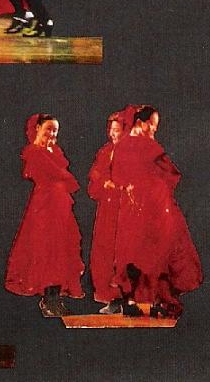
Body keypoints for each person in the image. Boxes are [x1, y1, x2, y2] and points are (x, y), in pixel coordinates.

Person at [110, 106, 202, 318]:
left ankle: (141, 300)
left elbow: (119, 176)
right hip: (149, 205)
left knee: (139, 251)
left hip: (139, 205)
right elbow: (170, 173)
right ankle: (150, 300)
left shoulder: (124, 145)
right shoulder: (147, 146)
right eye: (152, 124)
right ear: (140, 123)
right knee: (151, 250)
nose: (154, 129)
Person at [5, 114, 84, 317]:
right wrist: (66, 178)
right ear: (38, 128)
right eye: (48, 129)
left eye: (55, 130)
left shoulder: (54, 151)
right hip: (46, 205)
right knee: (48, 248)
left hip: (60, 204)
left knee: (61, 248)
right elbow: (56, 174)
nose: (52, 133)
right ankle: (49, 299)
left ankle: (55, 297)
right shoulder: (34, 152)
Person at [87, 111, 127, 314]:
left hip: (126, 208)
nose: (113, 134)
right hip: (108, 209)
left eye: (117, 130)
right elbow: (95, 176)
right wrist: (105, 183)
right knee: (105, 251)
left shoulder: (133, 152)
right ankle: (113, 299)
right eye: (111, 130)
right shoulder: (105, 152)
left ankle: (130, 299)